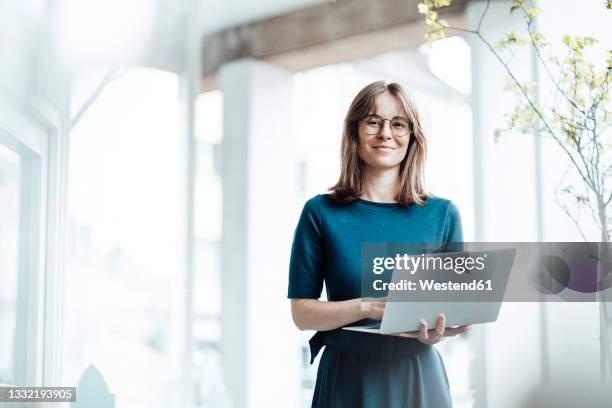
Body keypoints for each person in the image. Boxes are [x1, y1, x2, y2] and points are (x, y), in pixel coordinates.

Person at [287, 81, 471, 407]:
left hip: (418, 376)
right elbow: (302, 313)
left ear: (412, 136)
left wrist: (445, 327)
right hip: (346, 377)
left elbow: (458, 308)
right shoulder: (320, 212)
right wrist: (368, 306)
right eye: (373, 121)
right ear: (355, 131)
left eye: (398, 124)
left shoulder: (442, 214)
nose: (386, 133)